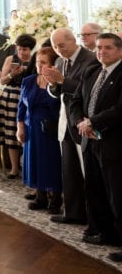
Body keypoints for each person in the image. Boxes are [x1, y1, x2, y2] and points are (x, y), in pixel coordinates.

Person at [70, 32, 122, 258]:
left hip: (114, 143)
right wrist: (81, 122)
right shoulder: (92, 71)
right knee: (95, 189)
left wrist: (94, 122)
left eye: (107, 48)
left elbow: (120, 109)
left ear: (120, 50)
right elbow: (75, 100)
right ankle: (105, 233)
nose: (101, 52)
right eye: (99, 47)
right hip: (89, 140)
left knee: (118, 195)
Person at [44, 27, 98, 228]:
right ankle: (73, 212)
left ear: (73, 40)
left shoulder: (90, 59)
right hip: (65, 120)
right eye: (55, 47)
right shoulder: (59, 61)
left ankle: (94, 219)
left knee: (87, 172)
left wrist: (62, 81)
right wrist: (52, 85)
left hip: (83, 120)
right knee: (68, 170)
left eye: (61, 45)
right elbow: (58, 92)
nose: (58, 50)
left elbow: (87, 90)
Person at [17, 47, 62, 213]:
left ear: (52, 64)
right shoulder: (28, 80)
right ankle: (40, 196)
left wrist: (52, 84)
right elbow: (21, 106)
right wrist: (19, 127)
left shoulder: (58, 83)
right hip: (30, 128)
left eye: (43, 63)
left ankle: (56, 198)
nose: (39, 66)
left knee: (51, 163)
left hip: (49, 129)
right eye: (37, 63)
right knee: (34, 161)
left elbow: (59, 107)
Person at [0, 34, 37, 179]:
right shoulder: (10, 59)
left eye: (24, 49)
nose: (21, 52)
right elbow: (2, 81)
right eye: (18, 49)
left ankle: (27, 166)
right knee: (11, 132)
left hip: (28, 97)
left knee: (27, 131)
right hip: (11, 96)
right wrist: (12, 74)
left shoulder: (35, 60)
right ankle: (14, 168)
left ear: (30, 49)